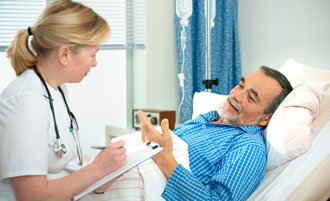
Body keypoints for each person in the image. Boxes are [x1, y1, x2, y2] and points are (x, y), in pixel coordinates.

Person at [0, 1, 126, 200]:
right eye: (92, 55)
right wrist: (96, 168)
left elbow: (65, 170)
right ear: (65, 54)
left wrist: (103, 175)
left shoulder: (56, 90)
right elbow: (32, 196)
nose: (95, 63)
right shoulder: (25, 102)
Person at [138, 66, 293, 201]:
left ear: (266, 118)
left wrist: (165, 159)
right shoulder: (206, 118)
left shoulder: (249, 147)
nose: (236, 95)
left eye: (251, 98)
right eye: (240, 86)